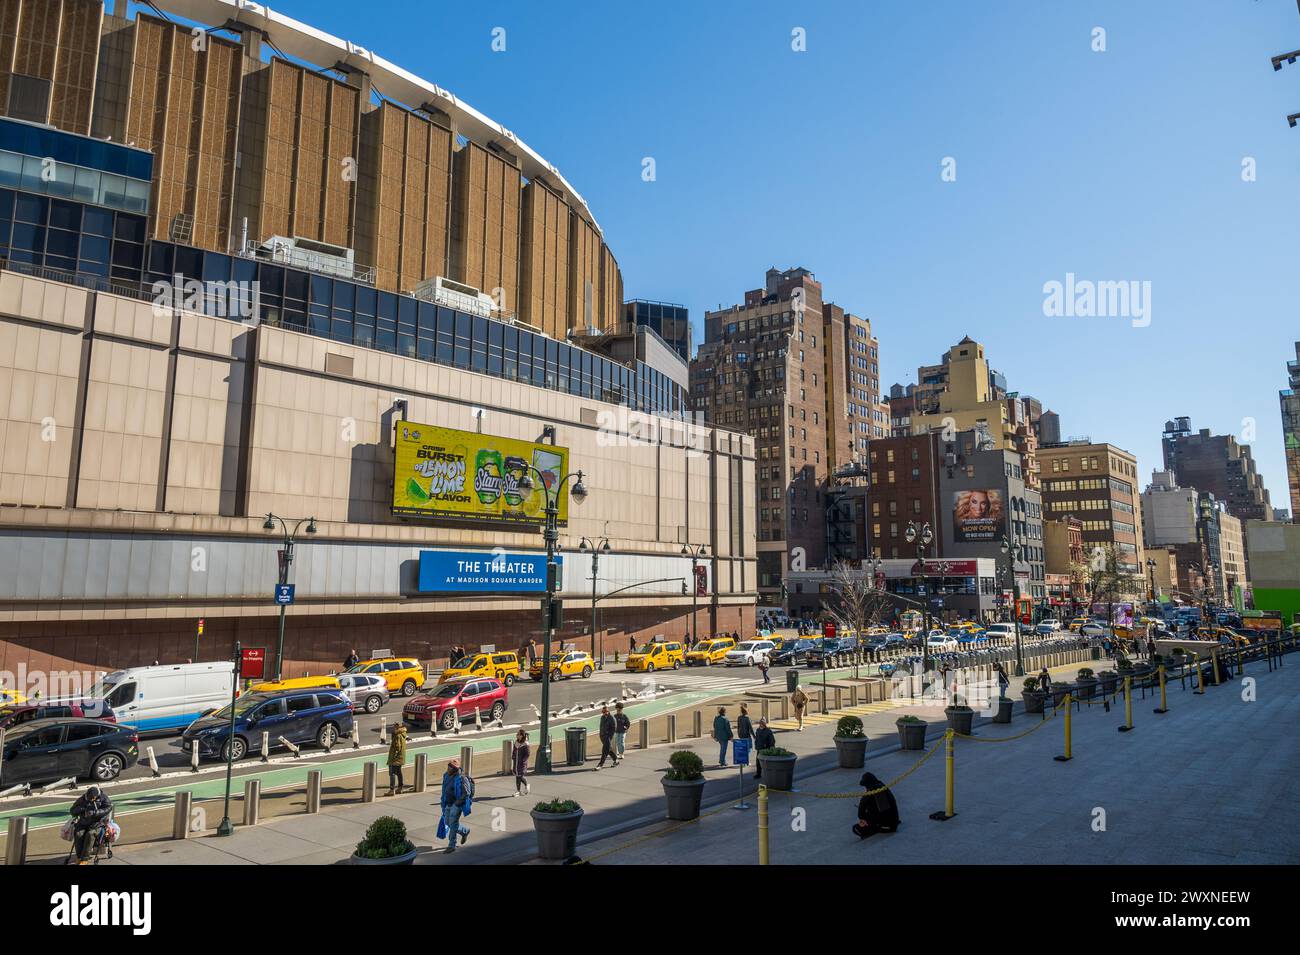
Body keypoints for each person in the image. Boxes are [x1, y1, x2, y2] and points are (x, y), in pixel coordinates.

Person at [69, 785, 113, 864]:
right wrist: (83, 809)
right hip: (83, 823)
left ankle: (85, 859)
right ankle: (79, 857)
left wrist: (95, 813)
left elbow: (108, 808)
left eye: (93, 798)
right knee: (78, 834)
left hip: (98, 824)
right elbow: (72, 810)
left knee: (90, 834)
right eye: (90, 798)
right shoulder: (82, 799)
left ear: (97, 796)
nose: (92, 800)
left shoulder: (104, 798)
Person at [852, 772, 900, 839]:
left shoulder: (871, 791)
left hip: (887, 826)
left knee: (856, 827)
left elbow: (861, 812)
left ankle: (874, 828)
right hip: (893, 822)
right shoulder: (882, 785)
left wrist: (863, 818)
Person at [439, 758, 472, 853]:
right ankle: (465, 831)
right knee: (447, 822)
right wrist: (442, 802)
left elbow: (467, 792)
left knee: (453, 823)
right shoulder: (446, 776)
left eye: (451, 767)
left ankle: (451, 845)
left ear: (455, 769)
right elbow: (444, 790)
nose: (449, 768)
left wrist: (457, 803)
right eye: (448, 766)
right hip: (447, 803)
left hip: (456, 804)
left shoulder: (462, 778)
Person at [385, 722, 407, 795]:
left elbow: (397, 747)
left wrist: (393, 757)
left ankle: (392, 790)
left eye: (394, 726)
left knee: (392, 773)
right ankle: (400, 788)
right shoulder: (403, 734)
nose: (393, 727)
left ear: (397, 727)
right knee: (399, 772)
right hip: (401, 757)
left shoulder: (397, 735)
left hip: (395, 758)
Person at [511, 729, 531, 796]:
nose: (517, 735)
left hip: (521, 763)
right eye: (517, 734)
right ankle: (526, 785)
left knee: (519, 776)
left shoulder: (525, 744)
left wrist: (523, 761)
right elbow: (514, 751)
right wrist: (513, 757)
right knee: (518, 776)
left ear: (522, 736)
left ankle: (518, 791)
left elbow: (527, 754)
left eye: (519, 734)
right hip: (516, 762)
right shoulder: (516, 742)